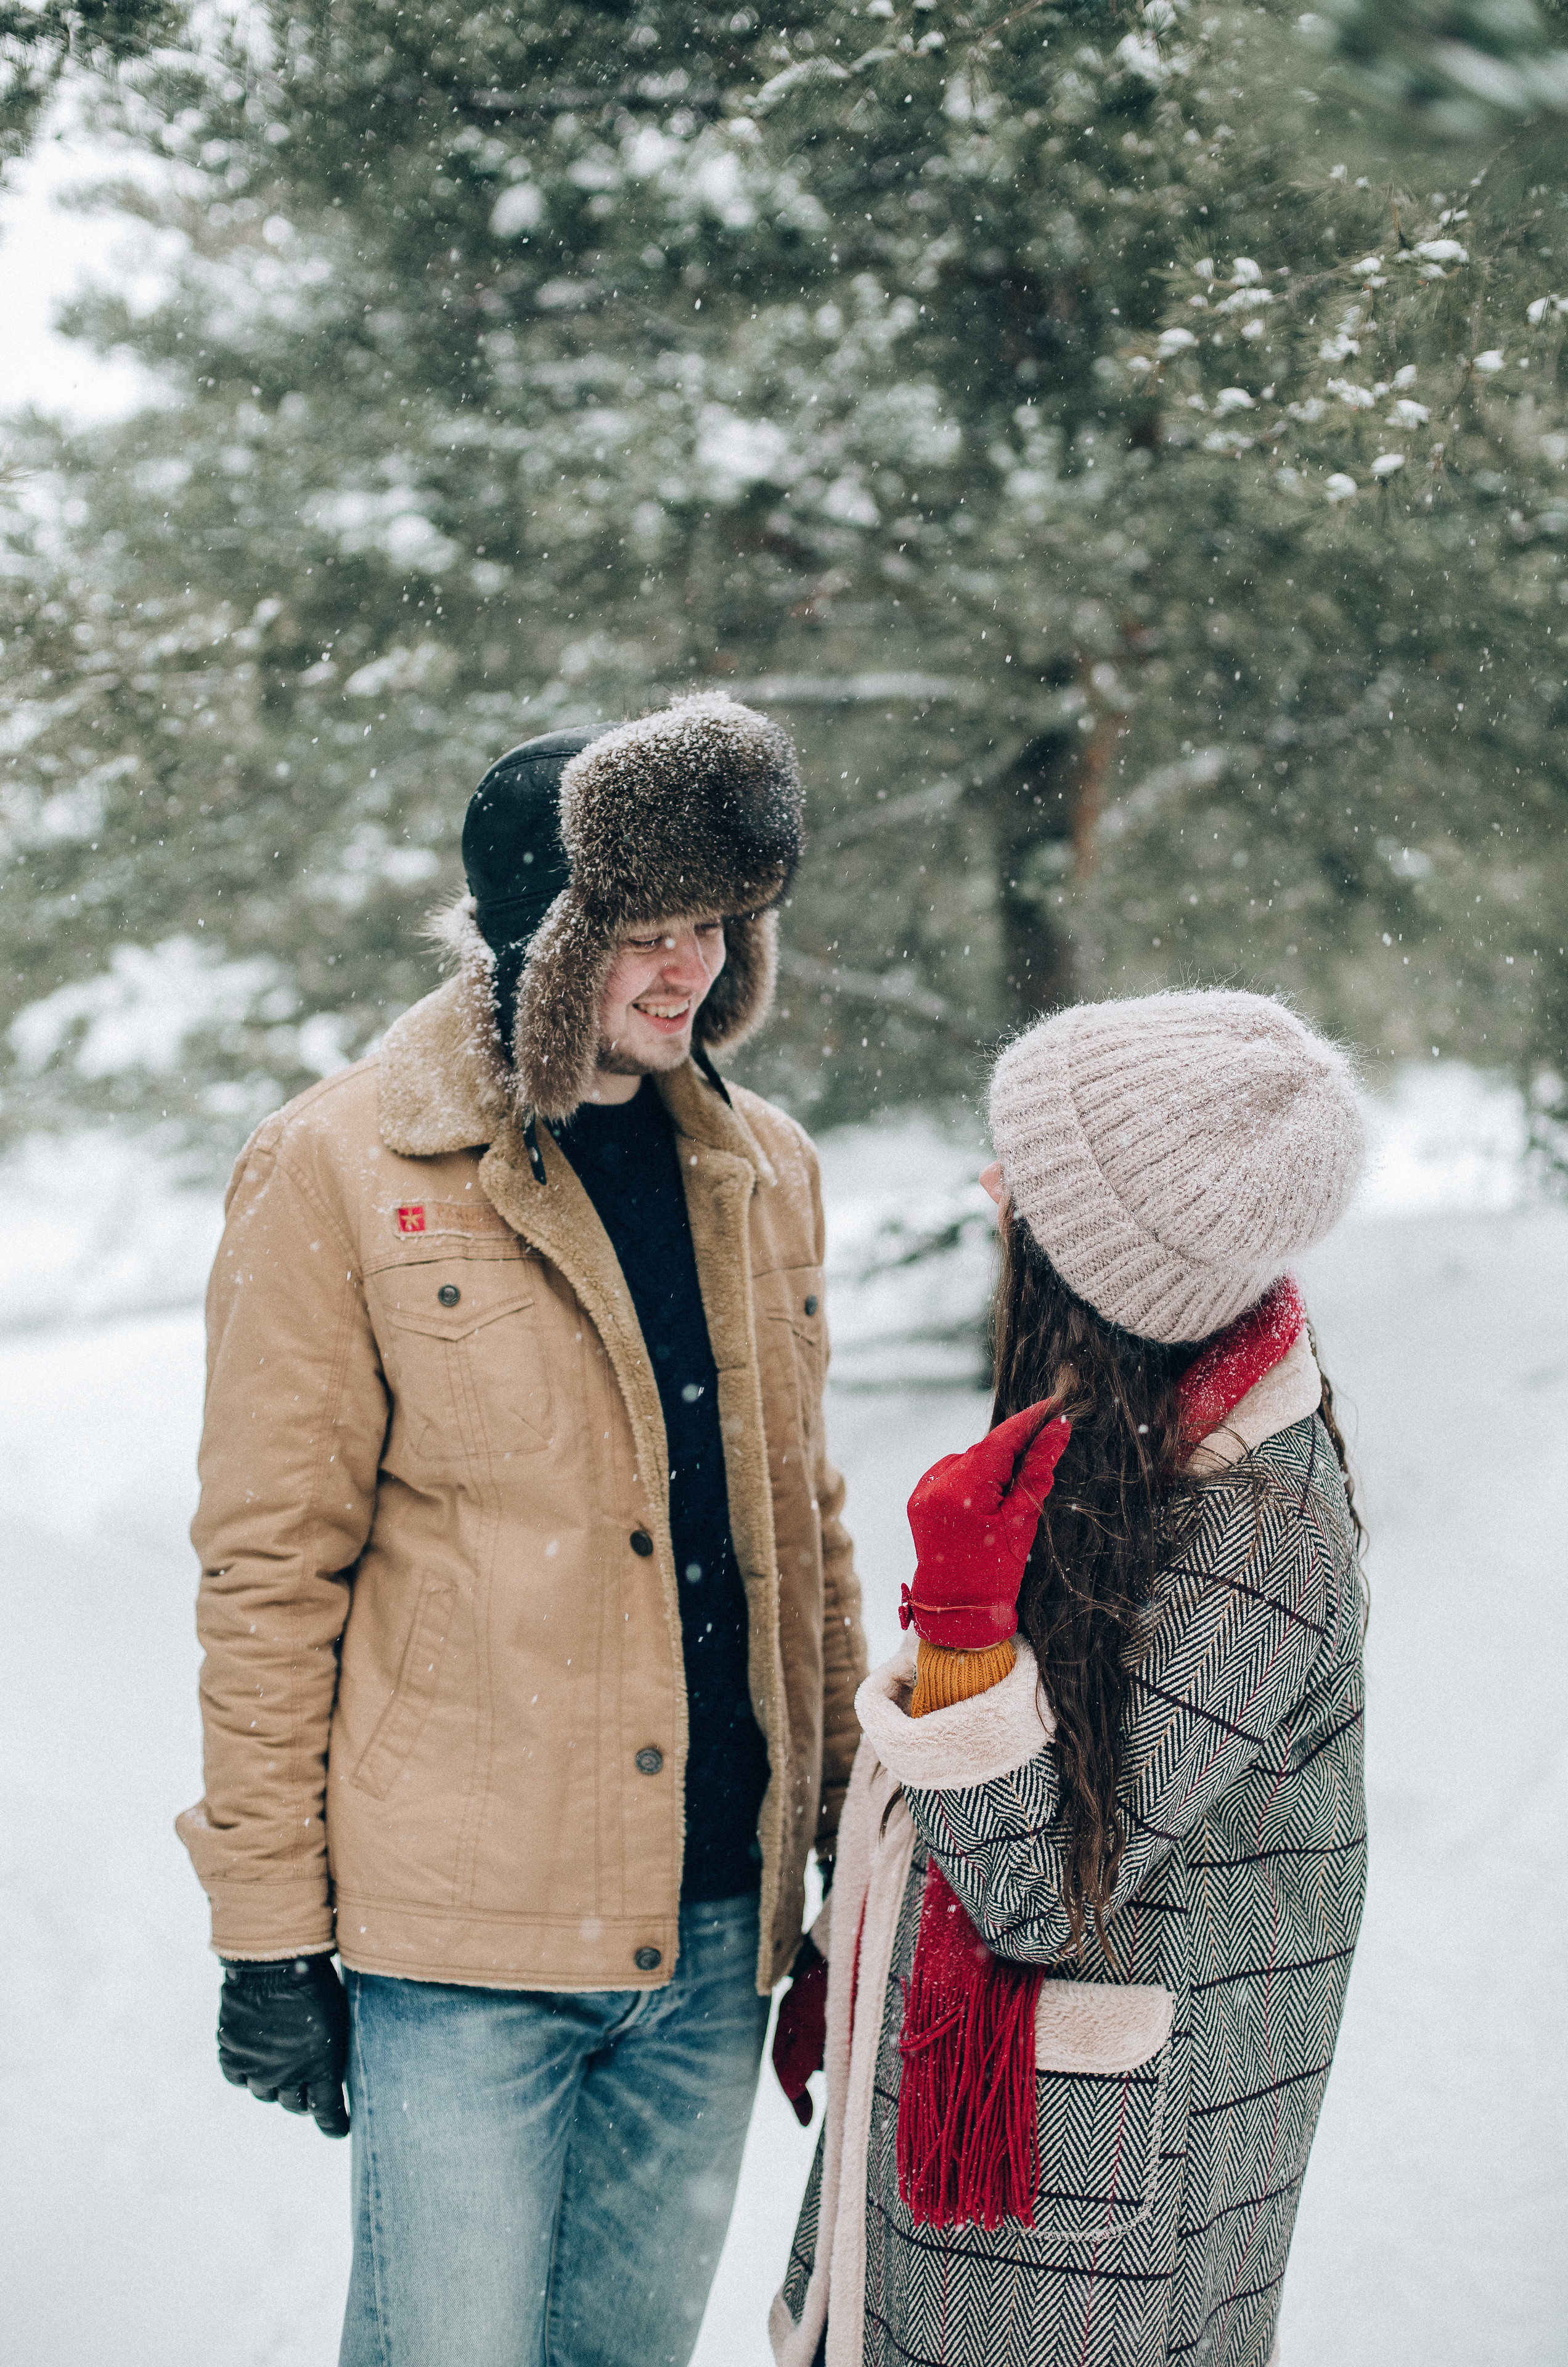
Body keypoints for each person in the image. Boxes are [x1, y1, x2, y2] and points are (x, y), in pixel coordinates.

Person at [176, 692, 867, 2367]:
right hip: (465, 1947)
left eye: (713, 925)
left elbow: (804, 1529)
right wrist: (269, 1926)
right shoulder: (341, 1166)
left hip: (715, 1945)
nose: (688, 969)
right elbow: (272, 1569)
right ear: (543, 940)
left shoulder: (762, 1166)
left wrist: (846, 1828)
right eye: (643, 931)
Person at [769, 989, 1368, 2367]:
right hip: (1007, 2152)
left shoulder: (1260, 1534)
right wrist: (848, 1946)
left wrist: (966, 1629)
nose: (992, 1187)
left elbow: (1039, 1891)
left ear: (1109, 1261)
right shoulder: (1127, 1430)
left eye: (1026, 1177)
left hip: (1084, 2229)